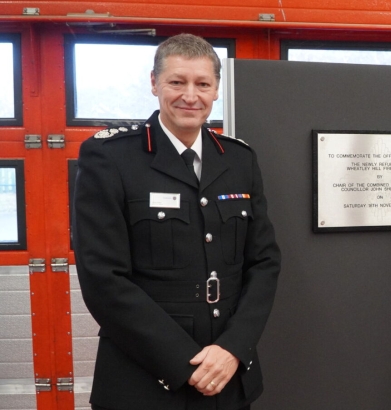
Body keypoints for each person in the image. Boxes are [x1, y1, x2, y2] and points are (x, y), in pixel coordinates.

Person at [73, 33, 281, 410]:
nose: (191, 95)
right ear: (154, 83)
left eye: (203, 84)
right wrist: (186, 363)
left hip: (228, 379)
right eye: (177, 82)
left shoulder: (239, 161)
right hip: (143, 383)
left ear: (217, 89)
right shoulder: (110, 159)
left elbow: (264, 263)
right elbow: (103, 280)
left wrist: (232, 348)